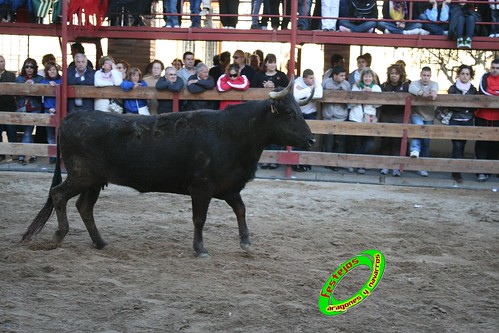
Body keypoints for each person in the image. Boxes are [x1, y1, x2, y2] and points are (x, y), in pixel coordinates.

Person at [251, 53, 290, 169]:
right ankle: (263, 160)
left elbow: (286, 90)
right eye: (270, 62)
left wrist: (274, 86)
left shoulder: (281, 76)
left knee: (275, 134)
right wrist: (264, 88)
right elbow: (252, 89)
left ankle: (274, 160)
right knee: (262, 134)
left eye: (274, 62)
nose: (272, 65)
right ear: (265, 64)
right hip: (262, 109)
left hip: (277, 110)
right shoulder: (259, 75)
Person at [444, 64, 478, 183]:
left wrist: (465, 107)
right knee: (457, 146)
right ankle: (456, 173)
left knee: (462, 145)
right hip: (455, 120)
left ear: (470, 76)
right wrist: (465, 107)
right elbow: (451, 105)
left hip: (468, 121)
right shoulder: (453, 88)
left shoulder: (473, 89)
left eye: (467, 74)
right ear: (459, 75)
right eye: (462, 73)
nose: (464, 76)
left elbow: (475, 106)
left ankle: (457, 169)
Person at [348, 67, 381, 174]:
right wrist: (361, 94)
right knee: (357, 143)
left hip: (369, 119)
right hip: (356, 118)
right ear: (362, 77)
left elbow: (378, 104)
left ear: (373, 78)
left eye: (369, 76)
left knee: (369, 143)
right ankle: (360, 165)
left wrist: (371, 95)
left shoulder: (376, 88)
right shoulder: (355, 87)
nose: (367, 78)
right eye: (365, 76)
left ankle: (354, 163)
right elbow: (352, 102)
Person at [379, 64, 410, 177]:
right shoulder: (384, 86)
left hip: (399, 116)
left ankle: (396, 167)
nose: (394, 76)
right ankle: (385, 165)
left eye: (396, 73)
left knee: (397, 142)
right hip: (386, 115)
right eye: (392, 73)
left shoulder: (406, 86)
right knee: (386, 141)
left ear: (400, 75)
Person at [408, 66, 439, 177]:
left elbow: (435, 89)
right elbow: (411, 88)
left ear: (430, 76)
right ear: (421, 75)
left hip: (429, 116)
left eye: (428, 75)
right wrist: (421, 93)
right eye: (424, 75)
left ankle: (423, 167)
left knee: (426, 141)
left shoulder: (434, 84)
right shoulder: (415, 83)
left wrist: (433, 93)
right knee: (418, 128)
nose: (425, 77)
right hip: (417, 114)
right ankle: (415, 149)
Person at [293, 68, 323, 172]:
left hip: (311, 114)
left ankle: (305, 162)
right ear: (304, 78)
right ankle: (296, 163)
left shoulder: (316, 81)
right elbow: (296, 95)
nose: (312, 80)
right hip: (299, 114)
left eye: (313, 78)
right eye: (310, 78)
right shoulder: (297, 81)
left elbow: (319, 94)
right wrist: (310, 89)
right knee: (298, 138)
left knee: (309, 139)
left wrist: (303, 91)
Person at [15, 58, 44, 165]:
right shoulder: (19, 79)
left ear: (35, 68)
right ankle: (32, 154)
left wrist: (33, 86)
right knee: (28, 131)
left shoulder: (40, 79)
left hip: (34, 108)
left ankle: (22, 155)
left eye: (31, 66)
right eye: (27, 66)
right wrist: (26, 86)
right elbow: (18, 93)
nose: (29, 69)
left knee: (28, 131)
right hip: (22, 108)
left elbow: (41, 93)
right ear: (24, 68)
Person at [474, 58, 499, 182]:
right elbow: (483, 91)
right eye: (493, 67)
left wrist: (492, 93)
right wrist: (496, 94)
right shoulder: (485, 76)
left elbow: (489, 93)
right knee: (481, 143)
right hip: (482, 115)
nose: (495, 70)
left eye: (497, 68)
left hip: (497, 117)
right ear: (490, 68)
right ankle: (481, 171)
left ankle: (490, 170)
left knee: (495, 144)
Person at [322, 65, 351, 168]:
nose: (343, 77)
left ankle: (337, 163)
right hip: (328, 116)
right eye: (341, 75)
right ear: (335, 75)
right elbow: (320, 95)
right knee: (328, 141)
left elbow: (350, 100)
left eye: (344, 75)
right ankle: (327, 163)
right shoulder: (326, 82)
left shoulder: (347, 84)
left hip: (341, 117)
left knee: (340, 142)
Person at [41, 61, 62, 163]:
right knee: (50, 135)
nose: (52, 71)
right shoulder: (44, 82)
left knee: (61, 134)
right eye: (50, 70)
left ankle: (60, 156)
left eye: (54, 69)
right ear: (47, 71)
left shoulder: (62, 80)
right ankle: (53, 156)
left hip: (60, 110)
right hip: (48, 110)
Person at [0, 55, 17, 162]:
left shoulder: (10, 75)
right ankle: (1, 154)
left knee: (11, 131)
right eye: (0, 61)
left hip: (8, 107)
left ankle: (13, 152)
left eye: (3, 61)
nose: (2, 63)